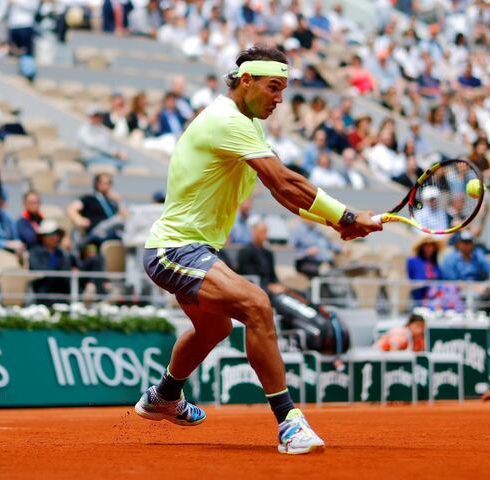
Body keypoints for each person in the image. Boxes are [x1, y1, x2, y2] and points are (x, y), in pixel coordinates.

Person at [135, 46, 380, 454]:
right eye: (273, 87)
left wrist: (339, 222)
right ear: (246, 80)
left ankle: (164, 396)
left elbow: (280, 191)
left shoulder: (247, 127)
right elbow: (284, 181)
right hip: (174, 250)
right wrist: (348, 215)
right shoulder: (226, 121)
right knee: (257, 305)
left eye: (283, 89)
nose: (279, 99)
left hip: (194, 249)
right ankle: (289, 423)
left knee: (215, 328)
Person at [67, 173, 128, 247]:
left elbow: (124, 216)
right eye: (104, 183)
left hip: (112, 232)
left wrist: (119, 201)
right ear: (97, 184)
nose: (107, 186)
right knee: (117, 221)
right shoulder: (89, 198)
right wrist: (79, 219)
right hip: (96, 232)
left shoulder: (112, 202)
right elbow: (72, 208)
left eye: (109, 183)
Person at [28, 220, 73, 306]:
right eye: (51, 234)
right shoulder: (35, 252)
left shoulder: (61, 253)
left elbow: (67, 271)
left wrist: (68, 252)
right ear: (42, 237)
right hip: (43, 296)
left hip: (62, 297)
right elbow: (38, 269)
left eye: (57, 234)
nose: (55, 237)